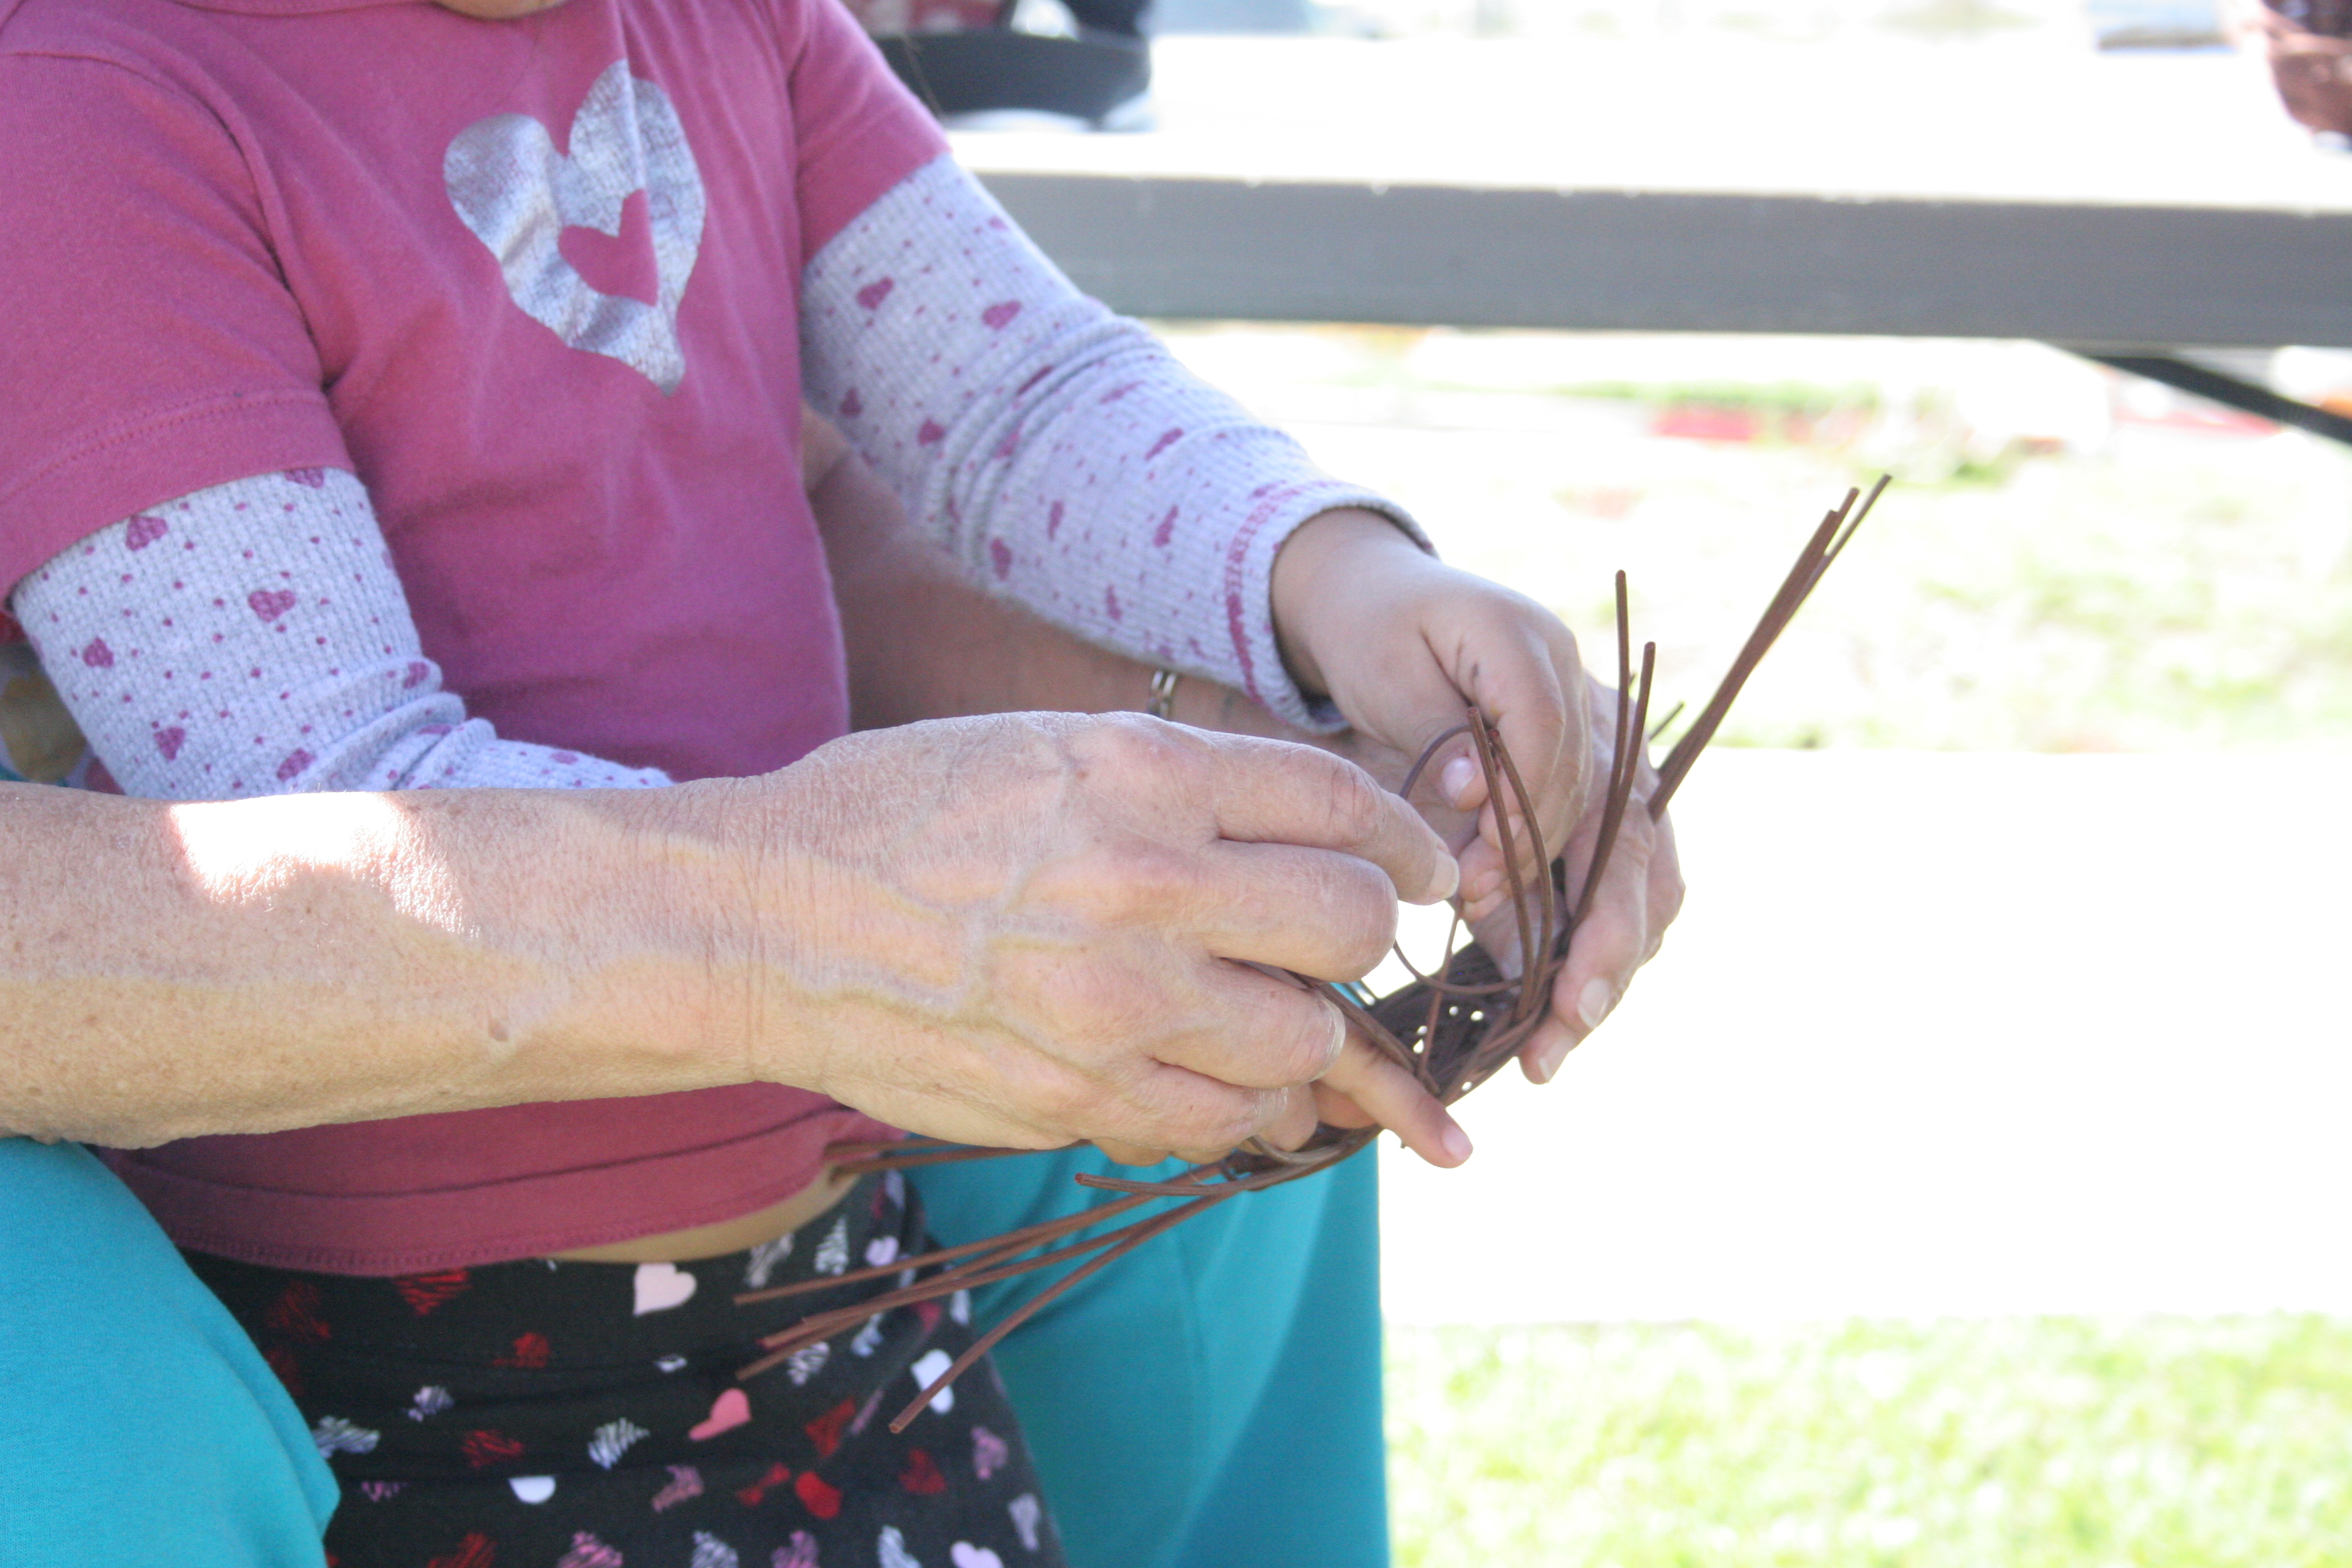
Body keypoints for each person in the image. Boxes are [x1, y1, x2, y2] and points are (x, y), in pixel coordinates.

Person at [0, 0, 1681, 1562]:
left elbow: (1018, 390)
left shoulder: (741, 20)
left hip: (841, 1267)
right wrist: (837, 919)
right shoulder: (88, 105)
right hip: (430, 1349)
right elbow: (329, 794)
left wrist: (1340, 582)